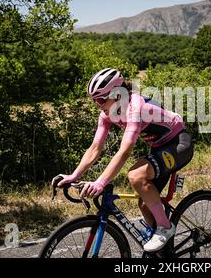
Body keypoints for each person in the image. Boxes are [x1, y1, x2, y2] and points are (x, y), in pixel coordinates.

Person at [53, 68, 194, 252]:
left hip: (178, 144)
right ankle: (164, 251)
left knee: (136, 175)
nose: (98, 105)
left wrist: (100, 183)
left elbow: (125, 151)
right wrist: (74, 175)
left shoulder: (136, 108)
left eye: (101, 99)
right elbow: (95, 148)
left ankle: (165, 227)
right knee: (144, 204)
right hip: (159, 146)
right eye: (94, 100)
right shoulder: (106, 114)